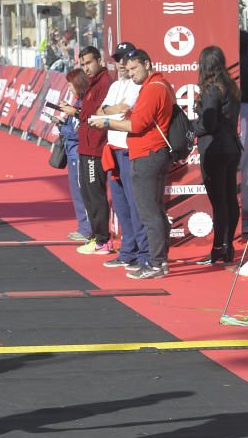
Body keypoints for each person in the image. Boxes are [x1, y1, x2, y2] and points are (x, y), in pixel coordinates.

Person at [89, 49, 174, 280]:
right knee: (152, 210)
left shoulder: (154, 88)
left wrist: (106, 121)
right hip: (147, 152)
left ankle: (155, 262)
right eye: (129, 68)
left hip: (148, 154)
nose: (131, 72)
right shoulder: (155, 86)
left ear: (147, 64)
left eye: (135, 68)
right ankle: (159, 260)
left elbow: (136, 125)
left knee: (149, 212)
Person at [97, 42, 150, 271]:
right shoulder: (116, 85)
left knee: (135, 204)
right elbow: (101, 111)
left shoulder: (137, 85)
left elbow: (126, 110)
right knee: (120, 205)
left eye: (124, 60)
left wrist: (112, 110)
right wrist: (114, 110)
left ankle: (143, 253)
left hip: (129, 149)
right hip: (113, 148)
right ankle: (128, 251)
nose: (120, 64)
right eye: (117, 59)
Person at [192, 45, 242, 265]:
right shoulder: (231, 87)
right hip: (231, 147)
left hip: (215, 149)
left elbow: (209, 123)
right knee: (230, 200)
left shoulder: (212, 89)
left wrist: (193, 126)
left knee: (219, 202)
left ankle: (218, 249)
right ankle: (227, 247)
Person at [60, 46, 113, 255]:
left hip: (96, 148)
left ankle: (103, 239)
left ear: (99, 60)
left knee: (96, 195)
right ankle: (95, 236)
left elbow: (96, 114)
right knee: (88, 195)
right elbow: (89, 113)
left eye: (89, 63)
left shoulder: (105, 82)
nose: (86, 68)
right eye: (83, 64)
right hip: (86, 146)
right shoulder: (92, 83)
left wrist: (77, 112)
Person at [56, 68, 91, 242]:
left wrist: (64, 127)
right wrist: (62, 122)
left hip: (78, 153)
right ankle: (83, 227)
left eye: (71, 86)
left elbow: (78, 132)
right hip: (72, 153)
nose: (69, 90)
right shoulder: (77, 103)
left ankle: (87, 230)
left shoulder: (84, 104)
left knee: (82, 192)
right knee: (76, 192)